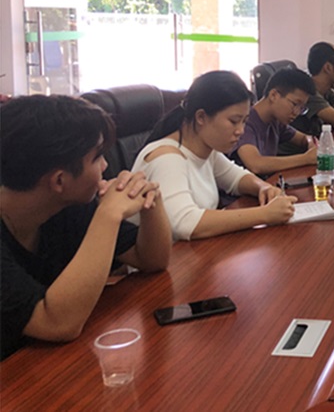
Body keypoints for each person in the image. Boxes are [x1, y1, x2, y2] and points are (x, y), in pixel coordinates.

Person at [1, 96, 171, 359]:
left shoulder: (67, 205)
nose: (106, 166)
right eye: (97, 157)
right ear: (59, 180)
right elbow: (56, 324)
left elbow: (151, 259)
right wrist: (109, 214)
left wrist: (150, 200)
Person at [131, 71, 297, 241]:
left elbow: (236, 178)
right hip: (172, 255)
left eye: (244, 121)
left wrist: (264, 188)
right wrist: (264, 214)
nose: (240, 131)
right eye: (234, 121)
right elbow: (185, 223)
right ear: (201, 117)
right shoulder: (167, 158)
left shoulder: (206, 148)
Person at [232, 68, 318, 177]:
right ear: (273, 95)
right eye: (295, 104)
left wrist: (311, 144)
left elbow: (303, 139)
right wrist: (306, 159)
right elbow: (256, 165)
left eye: (301, 108)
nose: (296, 112)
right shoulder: (246, 122)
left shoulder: (276, 121)